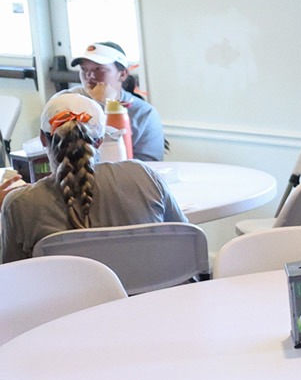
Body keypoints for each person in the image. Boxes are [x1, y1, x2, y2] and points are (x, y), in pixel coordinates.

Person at [0, 90, 183, 262]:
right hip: (152, 295)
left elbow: (10, 278)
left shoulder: (20, 204)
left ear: (42, 139)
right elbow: (184, 239)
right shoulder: (144, 176)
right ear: (100, 140)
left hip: (69, 297)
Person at [74, 41, 165, 162]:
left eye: (98, 69)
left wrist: (105, 105)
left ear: (122, 74)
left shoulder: (144, 113)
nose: (89, 75)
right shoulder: (70, 102)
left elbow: (150, 168)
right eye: (84, 69)